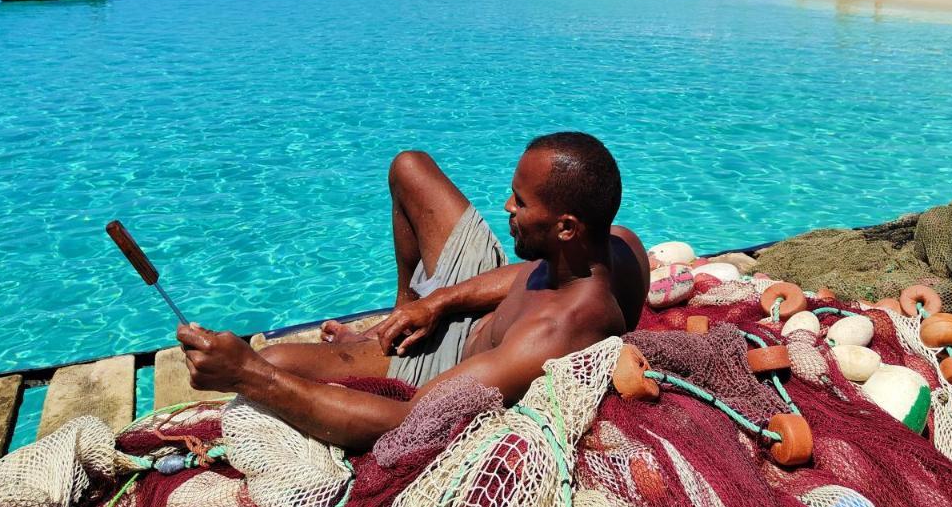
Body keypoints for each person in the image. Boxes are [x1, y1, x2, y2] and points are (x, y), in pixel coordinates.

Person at [176, 134, 649, 451]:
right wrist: (431, 304)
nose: (507, 206)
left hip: (450, 363)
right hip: (478, 315)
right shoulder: (617, 244)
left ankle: (375, 350)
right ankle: (398, 313)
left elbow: (407, 421)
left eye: (521, 204)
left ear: (565, 228)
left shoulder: (551, 336)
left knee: (272, 364)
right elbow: (524, 277)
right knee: (410, 167)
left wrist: (246, 374)